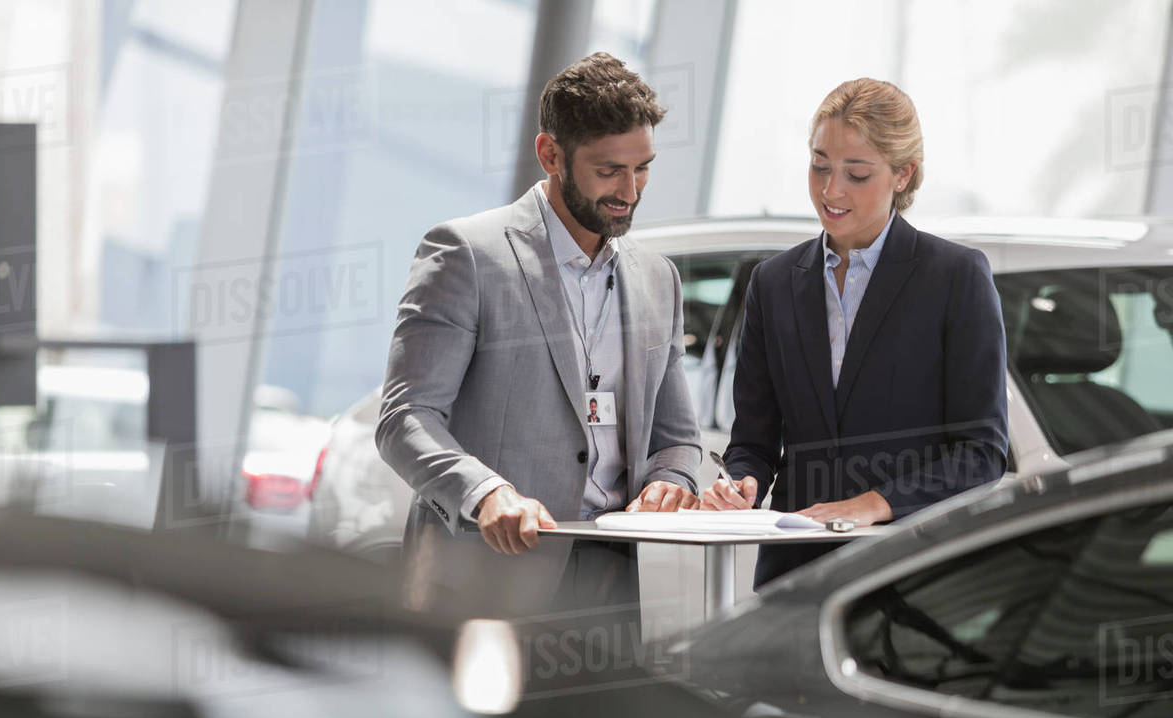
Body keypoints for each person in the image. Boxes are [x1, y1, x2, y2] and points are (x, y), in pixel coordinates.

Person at [377, 53, 701, 616]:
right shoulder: (466, 255)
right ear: (550, 154)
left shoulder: (658, 279)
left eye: (642, 167)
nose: (630, 190)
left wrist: (673, 481)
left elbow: (679, 438)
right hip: (485, 572)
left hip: (610, 578)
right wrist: (484, 494)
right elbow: (406, 419)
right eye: (608, 170)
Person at [702, 78, 1008, 588]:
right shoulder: (773, 282)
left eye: (856, 174)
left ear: (902, 174)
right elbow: (753, 441)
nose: (830, 190)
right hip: (793, 570)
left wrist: (871, 506)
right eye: (819, 165)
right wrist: (740, 483)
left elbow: (981, 453)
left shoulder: (955, 277)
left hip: (911, 573)